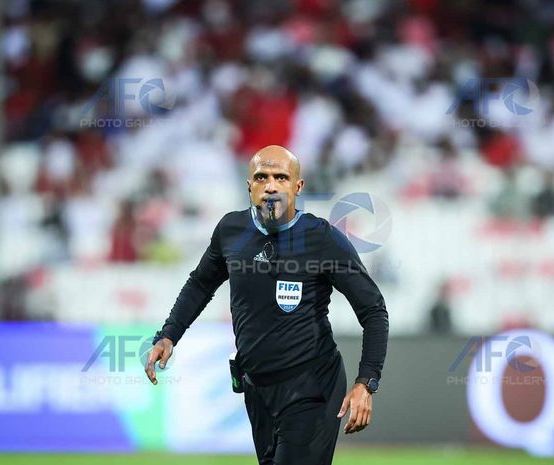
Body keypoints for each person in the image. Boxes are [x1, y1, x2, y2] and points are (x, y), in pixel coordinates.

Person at [144, 145, 389, 465]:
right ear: (249, 186)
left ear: (298, 187)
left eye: (281, 177)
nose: (271, 185)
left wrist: (366, 381)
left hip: (311, 388)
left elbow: (373, 310)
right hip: (256, 388)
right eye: (262, 177)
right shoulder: (231, 231)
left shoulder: (321, 239)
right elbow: (201, 283)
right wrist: (169, 334)